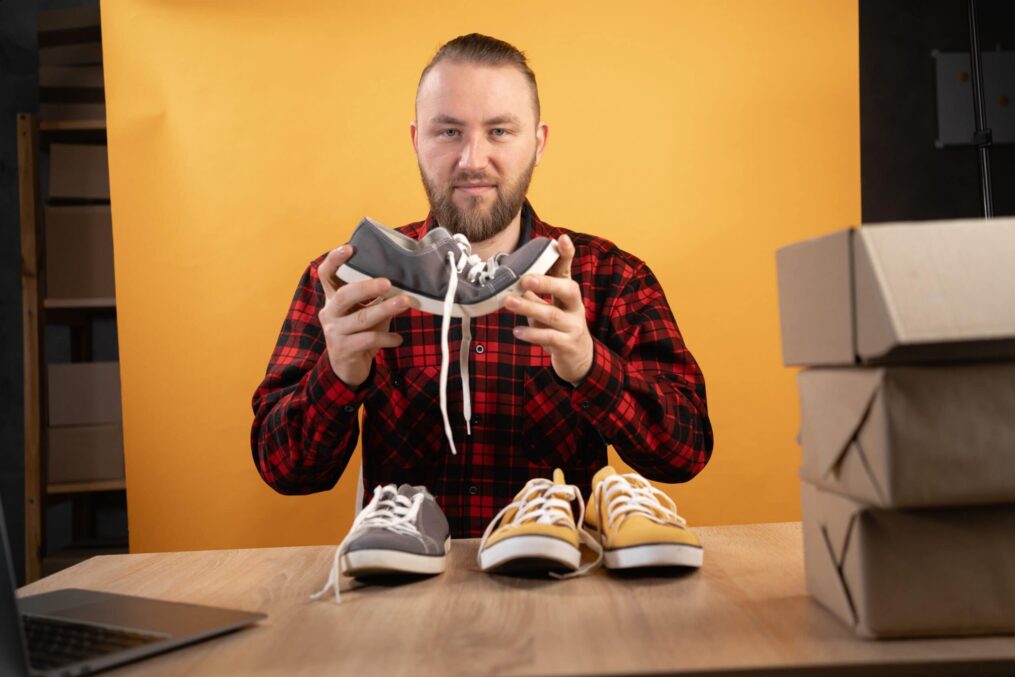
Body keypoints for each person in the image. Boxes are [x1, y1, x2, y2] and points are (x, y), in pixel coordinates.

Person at [251, 33, 713, 538]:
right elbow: (286, 472)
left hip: (561, 574)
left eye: (499, 131)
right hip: (407, 578)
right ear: (416, 140)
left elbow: (685, 454)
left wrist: (588, 364)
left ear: (537, 142)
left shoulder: (611, 277)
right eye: (449, 131)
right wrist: (338, 373)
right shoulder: (350, 281)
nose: (472, 159)